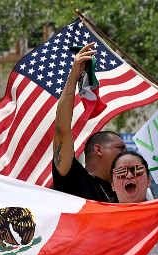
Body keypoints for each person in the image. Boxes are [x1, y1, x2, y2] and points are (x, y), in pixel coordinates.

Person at [52, 42, 126, 202]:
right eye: (121, 148)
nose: (125, 154)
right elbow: (61, 131)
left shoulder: (124, 194)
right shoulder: (74, 179)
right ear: (98, 150)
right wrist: (74, 75)